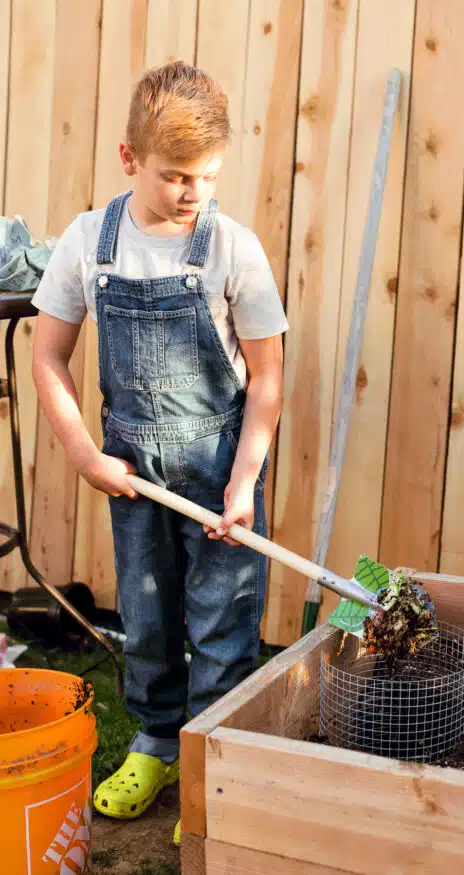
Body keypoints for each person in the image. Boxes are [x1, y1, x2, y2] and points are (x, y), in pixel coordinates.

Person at [31, 61, 288, 843]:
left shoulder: (231, 249)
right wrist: (84, 455)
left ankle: (211, 767)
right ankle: (153, 741)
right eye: (175, 176)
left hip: (218, 473)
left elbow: (268, 377)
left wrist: (244, 483)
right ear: (127, 157)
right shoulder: (89, 241)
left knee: (221, 623)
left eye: (206, 177)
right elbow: (48, 357)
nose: (191, 193)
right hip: (133, 476)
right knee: (144, 618)